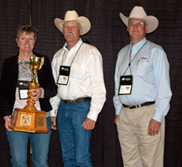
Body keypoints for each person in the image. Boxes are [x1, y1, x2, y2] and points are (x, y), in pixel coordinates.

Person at [113, 6, 172, 167]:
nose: (135, 27)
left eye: (139, 24)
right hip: (125, 115)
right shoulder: (122, 53)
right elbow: (117, 85)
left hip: (148, 114)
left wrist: (157, 117)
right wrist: (118, 112)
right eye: (132, 24)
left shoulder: (155, 52)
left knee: (151, 162)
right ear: (127, 27)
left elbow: (164, 88)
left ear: (146, 28)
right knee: (130, 162)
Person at [50, 10, 106, 167]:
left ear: (80, 30)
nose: (69, 30)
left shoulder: (91, 52)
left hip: (82, 109)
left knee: (82, 158)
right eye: (66, 27)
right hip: (63, 108)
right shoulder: (57, 56)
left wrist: (92, 115)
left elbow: (99, 87)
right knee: (67, 157)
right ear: (62, 31)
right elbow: (55, 88)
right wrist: (53, 112)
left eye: (73, 27)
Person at [0, 24, 57, 167]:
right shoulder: (9, 63)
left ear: (35, 42)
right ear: (16, 41)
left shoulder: (43, 60)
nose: (26, 42)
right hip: (16, 117)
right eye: (23, 38)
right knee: (18, 161)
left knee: (41, 162)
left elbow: (52, 89)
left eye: (30, 38)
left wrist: (41, 92)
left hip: (41, 116)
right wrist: (6, 115)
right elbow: (3, 92)